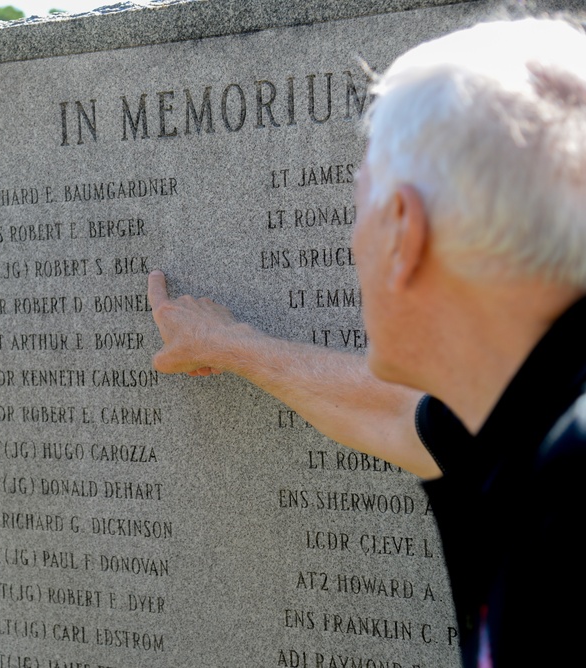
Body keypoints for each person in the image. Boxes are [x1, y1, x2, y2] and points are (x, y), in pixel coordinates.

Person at [147, 18, 586, 668]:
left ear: (404, 229)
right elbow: (395, 414)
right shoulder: (523, 404)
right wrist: (231, 344)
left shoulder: (572, 495)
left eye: (359, 204)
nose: (352, 241)